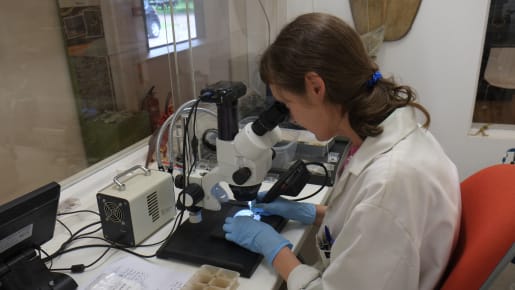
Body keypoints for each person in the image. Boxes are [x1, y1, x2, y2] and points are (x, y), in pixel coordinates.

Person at [223, 12, 461, 290]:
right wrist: (310, 212)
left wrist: (274, 249)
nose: (291, 117)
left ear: (315, 87)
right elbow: (363, 222)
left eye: (287, 104)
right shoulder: (389, 130)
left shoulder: (390, 184)